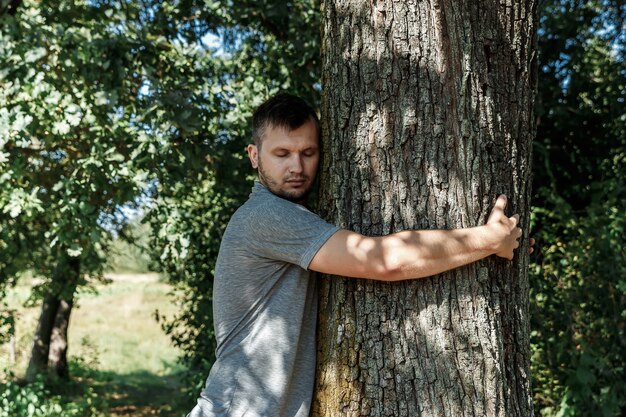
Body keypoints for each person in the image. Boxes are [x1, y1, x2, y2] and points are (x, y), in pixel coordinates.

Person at [187, 93, 533, 417]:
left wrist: (508, 238)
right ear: (254, 156)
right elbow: (383, 261)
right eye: (282, 154)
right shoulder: (267, 216)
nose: (297, 166)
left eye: (308, 153)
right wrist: (487, 239)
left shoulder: (292, 219)